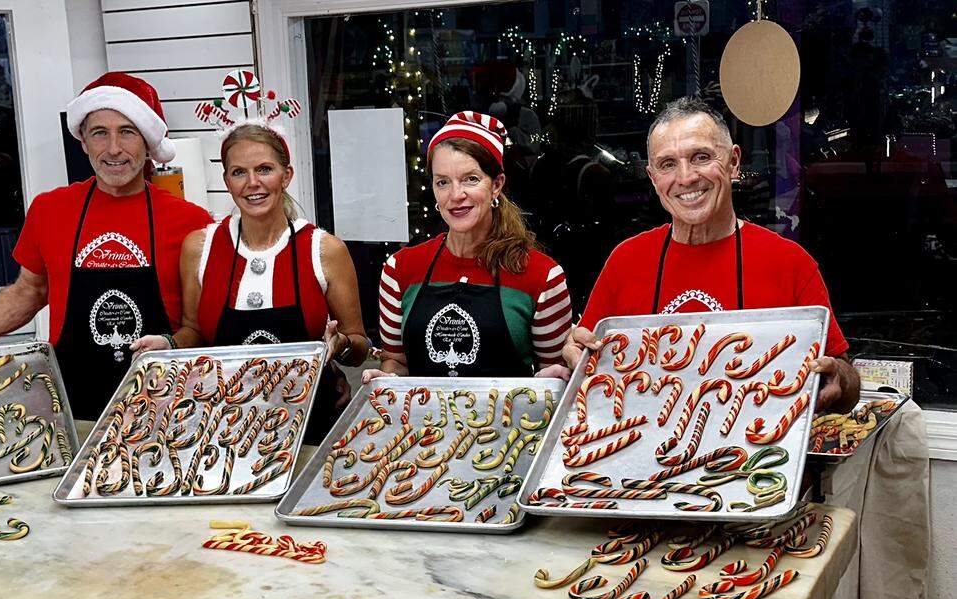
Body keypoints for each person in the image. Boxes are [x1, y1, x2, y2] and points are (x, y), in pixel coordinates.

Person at [0, 72, 213, 419]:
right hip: (73, 411)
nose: (113, 148)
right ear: (83, 141)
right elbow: (30, 290)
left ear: (148, 141)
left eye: (127, 131)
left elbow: (201, 329)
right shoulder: (50, 210)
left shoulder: (191, 221)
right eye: (100, 133)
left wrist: (171, 345)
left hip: (165, 411)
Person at [562, 96, 860, 412]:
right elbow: (586, 358)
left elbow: (846, 385)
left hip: (757, 441)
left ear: (734, 162)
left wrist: (838, 378)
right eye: (667, 164)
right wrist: (576, 351)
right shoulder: (626, 261)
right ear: (653, 178)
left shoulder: (790, 263)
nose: (686, 177)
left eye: (701, 157)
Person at [129, 123, 369, 442]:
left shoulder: (324, 250)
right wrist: (168, 345)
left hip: (312, 426)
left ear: (286, 175)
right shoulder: (200, 248)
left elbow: (359, 348)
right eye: (239, 172)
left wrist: (341, 344)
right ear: (226, 181)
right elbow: (194, 332)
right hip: (225, 428)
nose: (252, 183)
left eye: (264, 169)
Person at [365, 111, 573, 381]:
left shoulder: (542, 276)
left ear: (496, 185)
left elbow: (556, 377)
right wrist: (387, 381)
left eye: (470, 179)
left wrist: (550, 381)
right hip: (422, 410)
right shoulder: (400, 269)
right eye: (442, 182)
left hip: (512, 409)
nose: (456, 195)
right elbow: (396, 361)